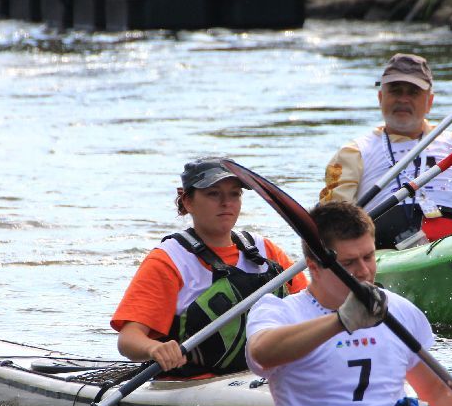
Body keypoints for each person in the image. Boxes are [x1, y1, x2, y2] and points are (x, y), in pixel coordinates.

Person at [245, 201, 452, 406]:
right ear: (314, 267)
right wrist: (340, 321)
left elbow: (437, 393)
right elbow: (261, 354)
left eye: (368, 256)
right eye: (349, 263)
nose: (364, 271)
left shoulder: (398, 309)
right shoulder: (279, 311)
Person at [111, 159, 308, 375]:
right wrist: (155, 348)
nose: (226, 202)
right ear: (188, 202)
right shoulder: (168, 261)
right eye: (213, 193)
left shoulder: (265, 250)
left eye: (235, 194)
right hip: (196, 382)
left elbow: (312, 308)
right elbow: (128, 340)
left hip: (262, 376)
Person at [319, 53, 452, 249]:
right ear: (381, 97)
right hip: (387, 251)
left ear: (429, 102)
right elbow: (329, 228)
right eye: (395, 91)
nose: (403, 99)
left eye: (413, 92)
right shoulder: (354, 152)